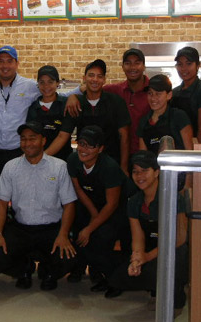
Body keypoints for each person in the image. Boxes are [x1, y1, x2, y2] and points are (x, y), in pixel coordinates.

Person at [0, 121, 77, 291]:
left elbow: (69, 204)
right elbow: (1, 204)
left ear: (43, 140)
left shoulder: (59, 167)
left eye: (32, 138)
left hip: (51, 229)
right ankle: (24, 269)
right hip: (20, 229)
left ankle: (48, 271)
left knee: (68, 258)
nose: (27, 143)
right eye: (23, 139)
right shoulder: (11, 167)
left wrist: (63, 234)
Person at [105, 150, 189, 317]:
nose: (139, 176)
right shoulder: (134, 201)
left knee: (171, 263)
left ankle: (177, 297)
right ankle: (156, 291)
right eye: (135, 171)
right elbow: (138, 237)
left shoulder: (174, 198)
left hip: (175, 250)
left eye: (145, 170)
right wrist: (137, 258)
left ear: (157, 172)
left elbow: (179, 238)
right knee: (119, 278)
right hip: (152, 246)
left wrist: (147, 257)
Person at [66, 125, 125, 292]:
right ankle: (79, 267)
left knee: (100, 237)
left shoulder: (109, 167)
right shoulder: (73, 160)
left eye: (90, 146)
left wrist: (91, 228)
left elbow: (112, 204)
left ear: (100, 149)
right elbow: (78, 189)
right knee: (78, 227)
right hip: (90, 204)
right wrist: (93, 215)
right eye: (81, 144)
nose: (83, 149)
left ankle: (112, 278)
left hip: (114, 209)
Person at [66, 48, 150, 155]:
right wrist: (73, 96)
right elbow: (92, 88)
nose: (132, 67)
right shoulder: (114, 90)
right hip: (120, 153)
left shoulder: (153, 92)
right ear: (123, 67)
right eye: (128, 63)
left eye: (137, 63)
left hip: (145, 153)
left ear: (144, 66)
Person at [0, 45, 40, 184]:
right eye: (1, 61)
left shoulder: (29, 86)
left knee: (19, 192)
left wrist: (78, 92)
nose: (5, 66)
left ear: (17, 64)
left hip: (18, 153)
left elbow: (52, 94)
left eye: (9, 61)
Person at [72, 59, 131, 174]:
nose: (95, 79)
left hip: (111, 164)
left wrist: (124, 167)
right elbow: (64, 134)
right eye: (91, 75)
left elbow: (124, 136)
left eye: (99, 76)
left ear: (104, 80)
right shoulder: (77, 103)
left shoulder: (116, 102)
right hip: (84, 166)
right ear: (84, 78)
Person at [26, 65, 75, 161]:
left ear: (57, 83)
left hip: (62, 161)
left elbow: (63, 136)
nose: (46, 86)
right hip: (38, 161)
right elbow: (32, 136)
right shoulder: (33, 107)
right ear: (38, 84)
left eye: (50, 82)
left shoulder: (66, 105)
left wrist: (42, 157)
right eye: (42, 82)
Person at [138, 74, 193, 153]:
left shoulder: (179, 117)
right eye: (150, 93)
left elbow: (189, 152)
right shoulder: (144, 122)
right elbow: (143, 155)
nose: (153, 98)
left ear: (169, 95)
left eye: (158, 94)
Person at [171, 46, 201, 143]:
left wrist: (198, 149)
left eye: (189, 64)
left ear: (198, 65)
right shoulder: (174, 92)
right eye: (180, 64)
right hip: (177, 144)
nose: (184, 69)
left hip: (194, 144)